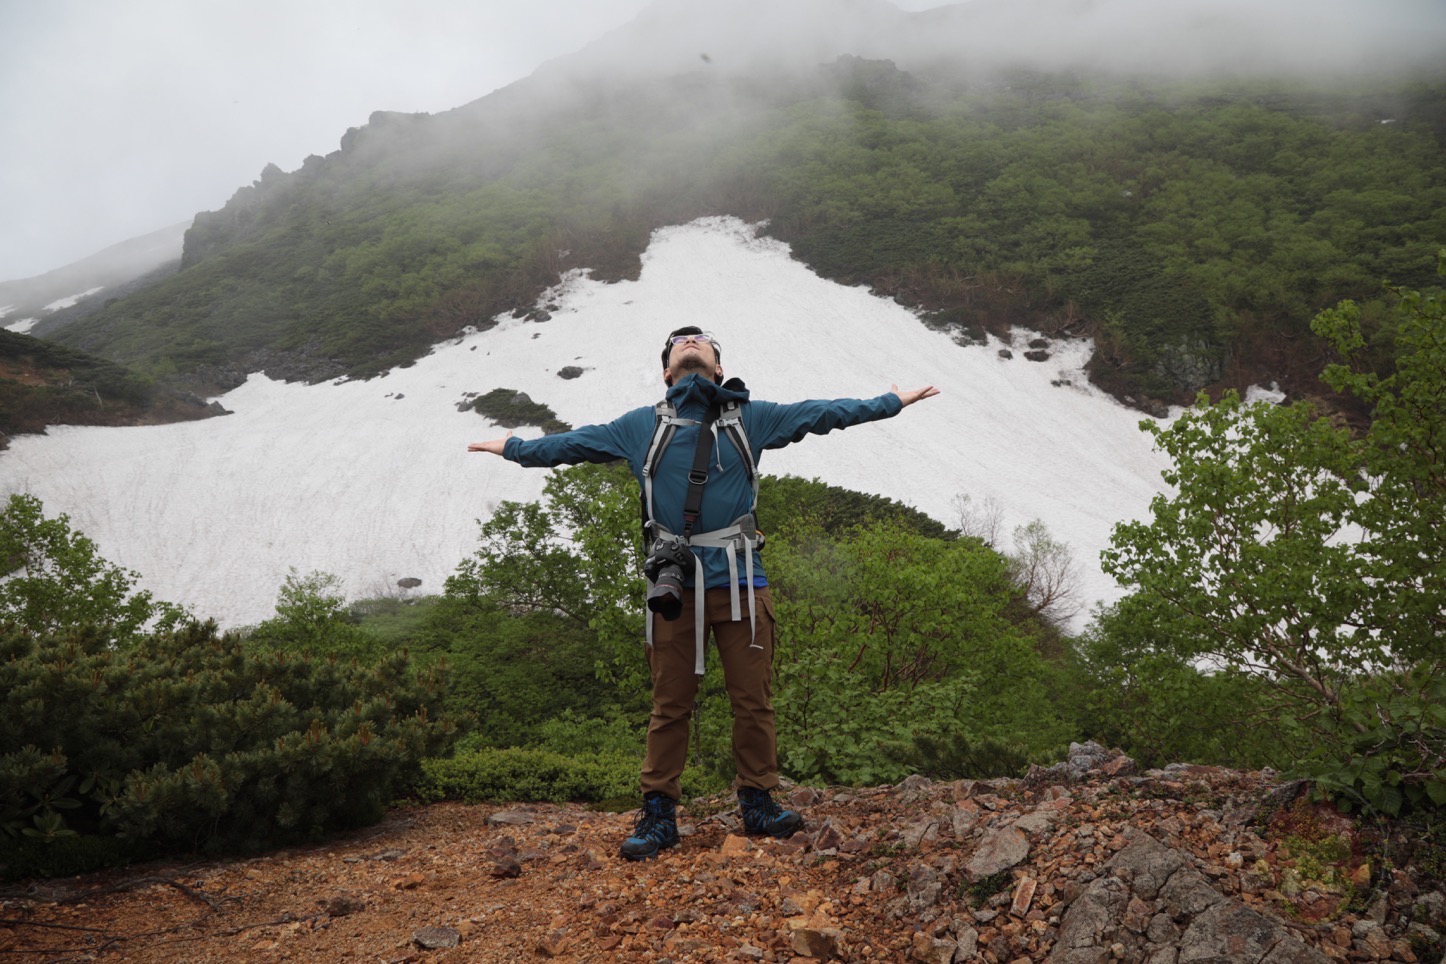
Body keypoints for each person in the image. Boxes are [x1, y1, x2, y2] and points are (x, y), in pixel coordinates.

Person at [468, 326, 939, 860]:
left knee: (753, 701)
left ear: (718, 369)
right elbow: (568, 445)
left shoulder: (750, 418)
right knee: (670, 705)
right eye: (679, 344)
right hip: (675, 587)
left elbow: (822, 413)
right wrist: (514, 447)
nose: (690, 343)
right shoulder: (637, 426)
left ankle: (758, 803)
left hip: (741, 581)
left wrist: (889, 403)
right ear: (667, 372)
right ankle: (659, 814)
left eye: (702, 342)